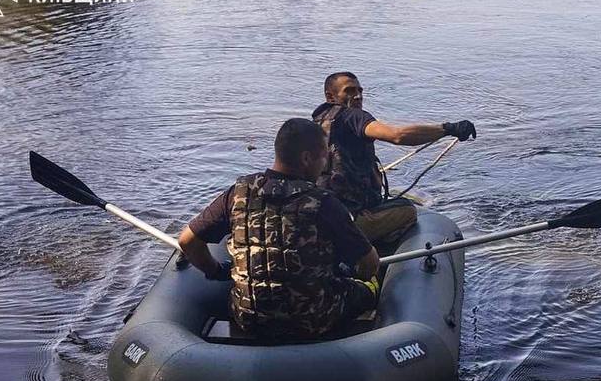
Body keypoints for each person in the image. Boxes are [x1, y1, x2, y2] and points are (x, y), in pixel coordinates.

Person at [178, 118, 380, 342]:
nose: (325, 165)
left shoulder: (237, 192)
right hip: (312, 321)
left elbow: (188, 241)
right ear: (306, 158)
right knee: (367, 288)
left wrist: (216, 271)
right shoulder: (324, 203)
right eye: (324, 157)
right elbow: (369, 264)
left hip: (248, 317)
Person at [310, 71, 477, 245]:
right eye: (349, 91)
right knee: (407, 210)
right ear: (330, 96)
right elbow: (398, 135)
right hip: (350, 220)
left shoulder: (317, 122)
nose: (358, 96)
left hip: (326, 213)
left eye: (360, 91)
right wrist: (448, 129)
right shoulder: (353, 116)